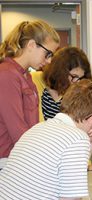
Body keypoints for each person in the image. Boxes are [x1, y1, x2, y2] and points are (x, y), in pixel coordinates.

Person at [0, 79, 92, 199]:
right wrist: (85, 145)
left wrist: (88, 148)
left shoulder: (39, 127)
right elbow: (71, 197)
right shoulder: (77, 139)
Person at [0, 20, 60, 169]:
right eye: (48, 54)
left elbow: (31, 125)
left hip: (21, 155)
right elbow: (16, 128)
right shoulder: (7, 74)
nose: (49, 60)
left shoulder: (26, 76)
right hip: (8, 159)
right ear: (32, 45)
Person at [41, 46, 92, 121]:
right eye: (74, 76)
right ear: (61, 72)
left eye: (81, 78)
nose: (77, 82)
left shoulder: (80, 96)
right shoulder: (42, 91)